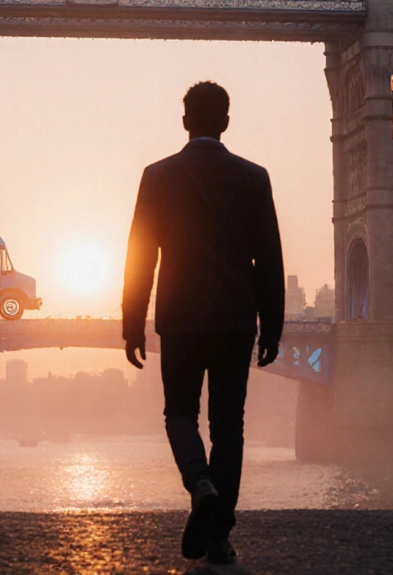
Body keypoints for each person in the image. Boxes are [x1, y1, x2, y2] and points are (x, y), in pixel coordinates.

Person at [121, 80, 285, 566]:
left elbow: (140, 256)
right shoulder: (254, 177)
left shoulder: (157, 176)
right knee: (229, 426)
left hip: (182, 317)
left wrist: (133, 321)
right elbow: (269, 259)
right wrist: (271, 326)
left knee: (179, 414)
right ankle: (219, 539)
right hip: (236, 320)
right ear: (227, 122)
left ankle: (200, 485)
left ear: (186, 120)